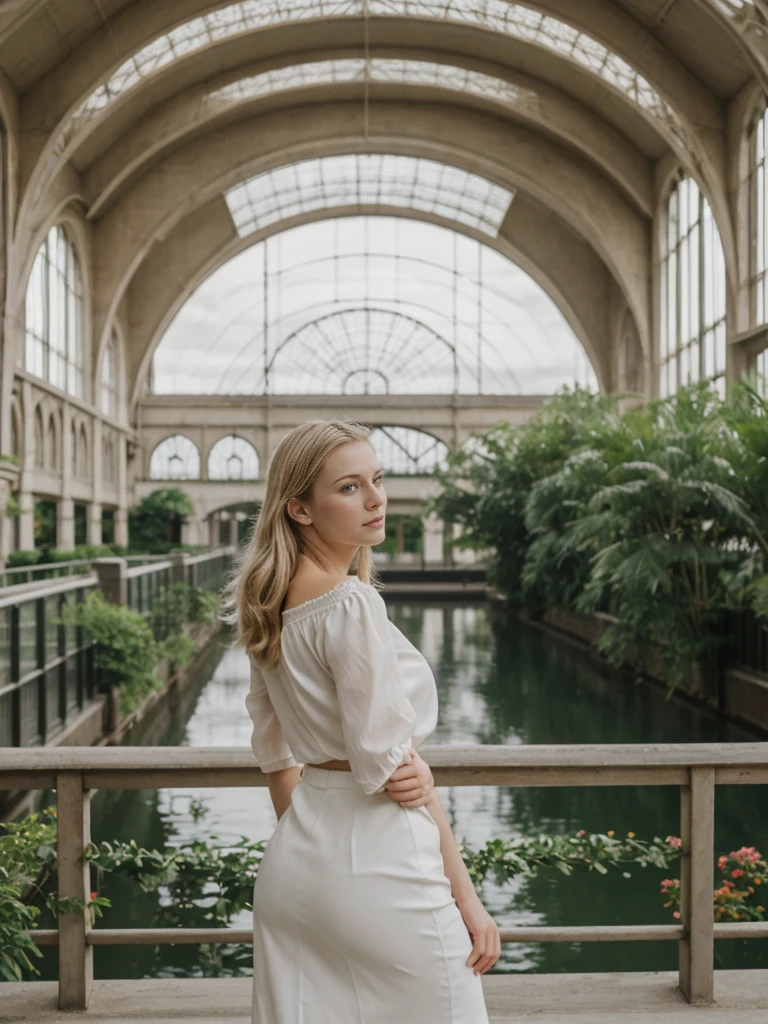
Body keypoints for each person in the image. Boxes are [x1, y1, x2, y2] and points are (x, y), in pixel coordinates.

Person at [223, 419, 498, 1023]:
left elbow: (275, 755)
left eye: (377, 479)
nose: (376, 499)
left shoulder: (267, 604)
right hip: (382, 864)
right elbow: (388, 768)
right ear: (298, 507)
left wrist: (317, 849)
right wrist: (468, 899)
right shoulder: (349, 603)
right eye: (349, 487)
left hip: (297, 864)